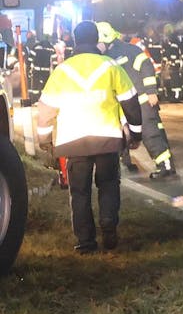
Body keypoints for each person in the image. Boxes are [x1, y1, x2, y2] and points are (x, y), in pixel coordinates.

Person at [33, 21, 143, 252]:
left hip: (73, 141)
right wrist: (135, 133)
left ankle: (86, 243)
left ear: (74, 40)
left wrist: (44, 140)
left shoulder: (62, 71)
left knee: (79, 192)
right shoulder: (111, 66)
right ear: (96, 40)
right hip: (107, 138)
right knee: (109, 184)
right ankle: (108, 223)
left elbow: (45, 112)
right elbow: (131, 102)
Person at [103, 22, 177, 180]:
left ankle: (166, 167)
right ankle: (125, 162)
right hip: (130, 103)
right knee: (122, 133)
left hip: (142, 102)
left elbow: (146, 65)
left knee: (150, 135)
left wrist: (151, 92)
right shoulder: (122, 51)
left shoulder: (123, 51)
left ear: (103, 40)